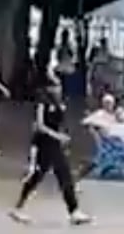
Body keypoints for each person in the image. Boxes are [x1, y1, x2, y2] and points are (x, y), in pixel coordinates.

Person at [10, 84, 92, 225]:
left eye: (60, 85)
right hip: (44, 143)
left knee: (64, 174)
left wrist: (63, 136)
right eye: (55, 86)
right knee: (38, 176)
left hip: (55, 145)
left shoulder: (59, 103)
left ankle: (74, 211)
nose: (59, 88)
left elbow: (60, 122)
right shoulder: (42, 103)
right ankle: (18, 207)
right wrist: (57, 136)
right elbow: (40, 125)